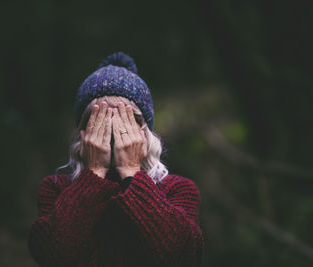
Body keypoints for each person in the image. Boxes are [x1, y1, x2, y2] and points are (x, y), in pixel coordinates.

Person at [27, 52, 204, 267]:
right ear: (83, 132)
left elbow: (181, 256)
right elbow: (55, 256)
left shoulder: (176, 189)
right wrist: (93, 172)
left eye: (126, 120)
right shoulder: (56, 189)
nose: (113, 130)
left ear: (145, 133)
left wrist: (131, 170)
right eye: (99, 119)